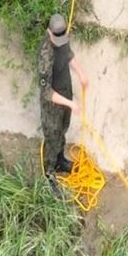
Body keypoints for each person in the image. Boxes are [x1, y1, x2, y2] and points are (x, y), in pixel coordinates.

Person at [38, 13, 89, 178]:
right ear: (49, 31)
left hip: (66, 94)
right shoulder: (45, 55)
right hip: (53, 105)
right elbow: (46, 92)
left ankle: (60, 160)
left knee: (62, 130)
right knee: (52, 137)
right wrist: (71, 104)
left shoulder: (62, 38)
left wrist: (81, 73)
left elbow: (68, 54)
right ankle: (49, 173)